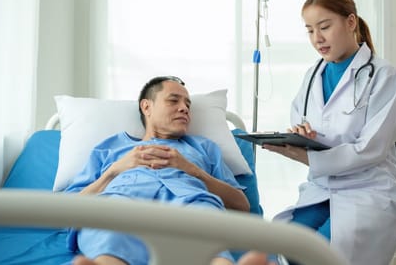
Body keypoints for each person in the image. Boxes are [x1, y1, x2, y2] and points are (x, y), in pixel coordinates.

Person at [261, 0, 396, 265]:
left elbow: (372, 148)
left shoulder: (382, 75)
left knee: (321, 256)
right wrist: (301, 135)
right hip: (322, 188)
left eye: (325, 27)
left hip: (367, 190)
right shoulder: (313, 74)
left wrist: (309, 156)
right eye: (309, 30)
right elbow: (301, 119)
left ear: (350, 22)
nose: (317, 38)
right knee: (287, 248)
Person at [64, 75, 275, 265]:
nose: (184, 108)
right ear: (146, 107)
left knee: (208, 236)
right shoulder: (109, 148)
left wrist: (193, 170)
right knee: (109, 234)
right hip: (119, 206)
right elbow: (68, 211)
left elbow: (242, 205)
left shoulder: (203, 148)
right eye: (173, 101)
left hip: (190, 207)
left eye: (187, 105)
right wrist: (114, 171)